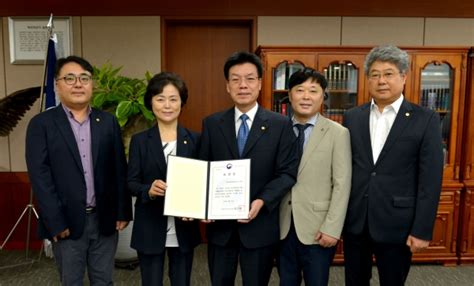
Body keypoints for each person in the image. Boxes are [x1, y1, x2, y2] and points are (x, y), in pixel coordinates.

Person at [25, 56, 132, 285]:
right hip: (66, 222)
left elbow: (118, 169)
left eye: (84, 78)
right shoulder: (41, 124)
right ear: (57, 84)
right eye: (70, 78)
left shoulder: (108, 122)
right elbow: (40, 177)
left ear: (92, 84)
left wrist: (123, 211)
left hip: (104, 219)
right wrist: (55, 221)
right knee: (71, 281)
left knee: (104, 280)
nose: (78, 84)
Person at [342, 45, 444, 285]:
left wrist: (421, 230)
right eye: (375, 74)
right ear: (367, 79)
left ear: (404, 77)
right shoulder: (353, 117)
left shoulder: (425, 119)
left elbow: (430, 180)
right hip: (357, 222)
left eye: (388, 74)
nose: (381, 81)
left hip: (398, 224)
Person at [199, 51, 299, 286]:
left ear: (260, 83)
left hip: (259, 226)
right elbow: (203, 169)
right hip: (221, 229)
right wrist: (202, 205)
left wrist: (262, 201)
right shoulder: (213, 124)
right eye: (235, 79)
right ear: (227, 86)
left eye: (249, 78)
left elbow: (287, 172)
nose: (242, 85)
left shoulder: (280, 124)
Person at [278, 68, 352, 286]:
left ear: (323, 96)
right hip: (282, 225)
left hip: (318, 229)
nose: (306, 96)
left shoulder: (337, 133)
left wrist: (332, 228)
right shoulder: (277, 129)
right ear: (290, 95)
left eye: (313, 90)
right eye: (299, 90)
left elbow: (342, 183)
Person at [127, 72, 201, 286]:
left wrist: (195, 208)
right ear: (151, 103)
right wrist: (148, 190)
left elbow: (201, 183)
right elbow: (131, 182)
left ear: (182, 102)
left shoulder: (195, 139)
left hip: (184, 229)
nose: (167, 105)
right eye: (160, 99)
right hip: (150, 227)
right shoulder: (140, 141)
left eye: (173, 99)